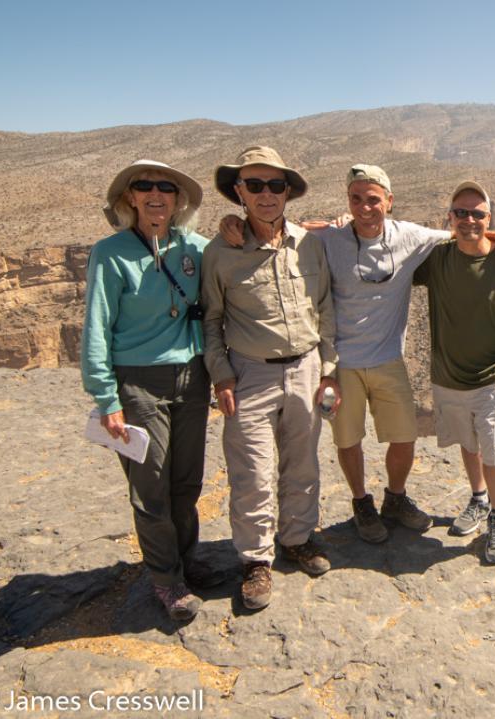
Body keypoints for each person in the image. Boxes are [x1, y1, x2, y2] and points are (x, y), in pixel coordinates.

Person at [219, 165, 495, 545]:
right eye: (356, 199)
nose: (364, 208)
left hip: (388, 358)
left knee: (404, 437)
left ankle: (395, 498)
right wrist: (232, 222)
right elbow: (281, 228)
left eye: (373, 199)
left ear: (389, 202)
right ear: (348, 200)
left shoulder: (411, 236)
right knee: (348, 440)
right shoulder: (329, 237)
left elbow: (462, 232)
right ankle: (362, 503)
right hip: (340, 363)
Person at [81, 159, 219, 621]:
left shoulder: (195, 247)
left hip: (192, 378)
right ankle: (166, 579)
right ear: (130, 198)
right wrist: (106, 398)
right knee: (151, 487)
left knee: (186, 482)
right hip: (138, 382)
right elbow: (97, 326)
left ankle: (186, 562)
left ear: (178, 201)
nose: (156, 194)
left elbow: (244, 250)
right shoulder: (111, 252)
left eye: (166, 187)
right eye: (145, 186)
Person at [201, 146, 337, 611]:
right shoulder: (219, 252)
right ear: (238, 192)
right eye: (254, 185)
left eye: (274, 185)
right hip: (250, 376)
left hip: (306, 369)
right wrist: (221, 376)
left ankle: (297, 538)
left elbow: (324, 309)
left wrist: (329, 370)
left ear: (287, 192)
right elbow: (211, 320)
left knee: (302, 463)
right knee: (252, 474)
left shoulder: (310, 243)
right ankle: (256, 561)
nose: (265, 194)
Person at [413, 181, 495, 564]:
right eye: (461, 213)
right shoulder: (437, 258)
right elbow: (387, 248)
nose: (469, 220)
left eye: (478, 214)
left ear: (489, 218)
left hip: (491, 380)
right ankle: (478, 500)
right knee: (468, 444)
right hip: (447, 377)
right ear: (449, 217)